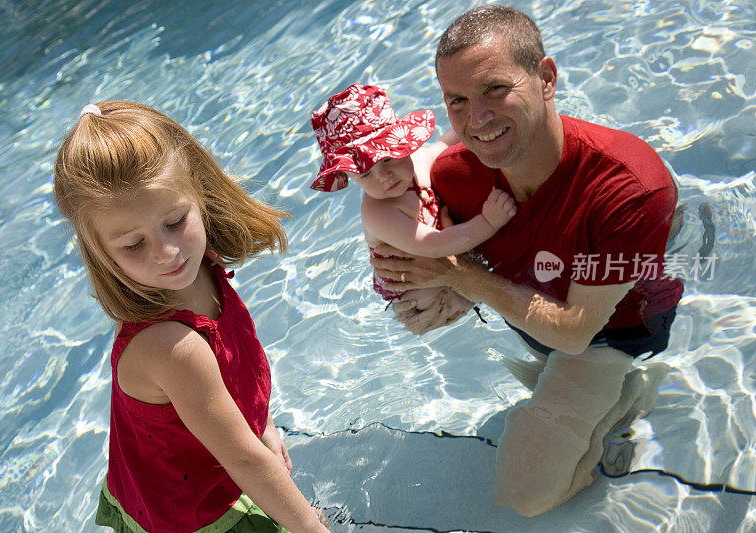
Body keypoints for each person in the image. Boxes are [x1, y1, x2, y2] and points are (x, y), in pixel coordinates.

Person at [370, 5, 683, 516]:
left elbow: (575, 332)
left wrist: (460, 277)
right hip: (535, 311)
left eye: (495, 89)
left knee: (526, 497)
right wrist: (439, 294)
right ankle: (599, 404)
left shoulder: (628, 189)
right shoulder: (456, 176)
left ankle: (624, 399)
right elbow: (434, 258)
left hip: (620, 330)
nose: (477, 120)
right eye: (457, 101)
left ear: (546, 78)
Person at [53, 101, 330, 532]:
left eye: (176, 221)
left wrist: (264, 426)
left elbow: (238, 369)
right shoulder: (169, 346)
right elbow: (243, 459)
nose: (167, 253)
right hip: (190, 518)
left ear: (199, 194)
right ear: (100, 254)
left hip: (213, 470)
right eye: (133, 245)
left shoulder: (203, 268)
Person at [310, 83, 516, 310]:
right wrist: (488, 222)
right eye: (365, 173)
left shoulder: (418, 162)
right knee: (461, 304)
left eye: (387, 158)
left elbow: (444, 144)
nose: (384, 176)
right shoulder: (379, 213)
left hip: (442, 261)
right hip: (414, 295)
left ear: (402, 145)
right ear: (350, 177)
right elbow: (435, 244)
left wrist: (473, 123)